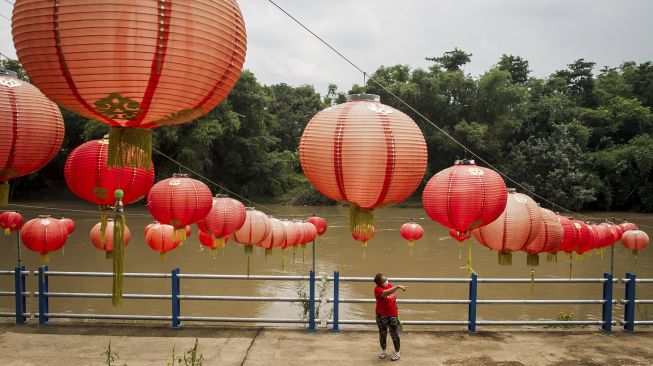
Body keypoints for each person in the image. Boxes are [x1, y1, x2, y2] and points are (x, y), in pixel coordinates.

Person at [374, 273, 405, 361]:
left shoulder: (390, 286)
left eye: (386, 279)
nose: (386, 281)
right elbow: (386, 293)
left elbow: (392, 297)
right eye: (384, 280)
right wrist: (398, 286)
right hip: (381, 315)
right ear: (379, 283)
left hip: (392, 314)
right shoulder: (377, 289)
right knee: (382, 334)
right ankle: (383, 351)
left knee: (394, 334)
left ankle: (397, 352)